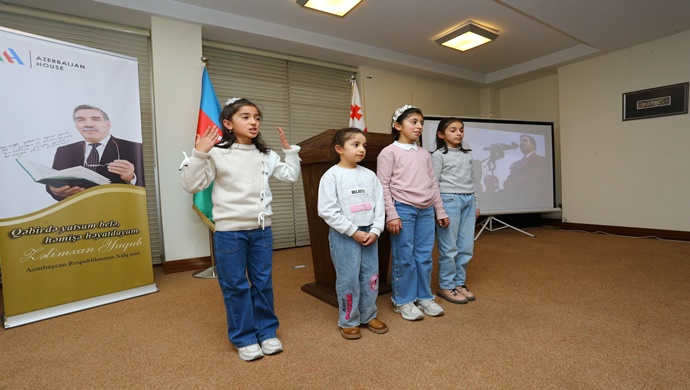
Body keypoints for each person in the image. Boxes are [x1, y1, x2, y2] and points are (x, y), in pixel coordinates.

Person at [180, 98, 301, 362]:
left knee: (262, 283)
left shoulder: (265, 154)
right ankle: (244, 337)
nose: (253, 122)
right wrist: (199, 153)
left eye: (256, 117)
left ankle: (267, 332)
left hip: (261, 230)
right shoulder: (216, 152)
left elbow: (290, 176)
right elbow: (191, 185)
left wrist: (290, 153)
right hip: (230, 232)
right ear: (228, 123)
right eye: (245, 117)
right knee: (235, 286)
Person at [376, 104, 449, 321]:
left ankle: (424, 296)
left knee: (424, 256)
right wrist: (392, 214)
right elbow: (383, 185)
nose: (418, 127)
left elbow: (433, 183)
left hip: (426, 210)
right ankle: (403, 300)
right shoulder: (389, 152)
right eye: (413, 122)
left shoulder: (424, 153)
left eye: (421, 123)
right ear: (398, 125)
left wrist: (440, 210)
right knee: (404, 257)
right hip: (403, 209)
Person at [317, 128, 388, 340]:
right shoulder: (331, 176)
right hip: (345, 235)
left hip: (370, 235)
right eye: (355, 145)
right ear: (339, 149)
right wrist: (353, 231)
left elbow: (379, 205)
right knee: (348, 278)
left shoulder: (369, 175)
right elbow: (327, 210)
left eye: (364, 145)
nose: (361, 149)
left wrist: (375, 230)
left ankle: (369, 314)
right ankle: (349, 319)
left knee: (371, 277)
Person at [47, 104, 145, 201]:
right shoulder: (64, 151)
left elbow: (151, 186)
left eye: (95, 119)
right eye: (81, 120)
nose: (88, 124)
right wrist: (56, 190)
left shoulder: (135, 148)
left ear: (108, 124)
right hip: (78, 211)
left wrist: (131, 178)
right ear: (76, 126)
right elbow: (52, 185)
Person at [431, 118, 479, 304]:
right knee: (449, 247)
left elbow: (472, 180)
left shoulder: (467, 154)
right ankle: (446, 285)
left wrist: (476, 202)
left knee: (466, 246)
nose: (458, 133)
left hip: (468, 201)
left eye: (461, 130)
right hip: (449, 200)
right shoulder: (438, 155)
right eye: (453, 130)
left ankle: (459, 282)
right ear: (441, 135)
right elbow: (434, 183)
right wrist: (439, 209)